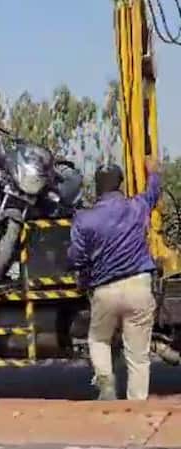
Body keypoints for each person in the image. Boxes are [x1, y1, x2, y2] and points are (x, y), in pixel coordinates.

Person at [67, 157, 162, 400]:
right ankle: (137, 405)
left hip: (105, 290)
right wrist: (153, 172)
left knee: (98, 339)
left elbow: (76, 257)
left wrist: (83, 275)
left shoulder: (84, 219)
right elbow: (153, 192)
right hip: (139, 286)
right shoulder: (137, 207)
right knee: (138, 356)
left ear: (97, 187)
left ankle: (106, 383)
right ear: (120, 184)